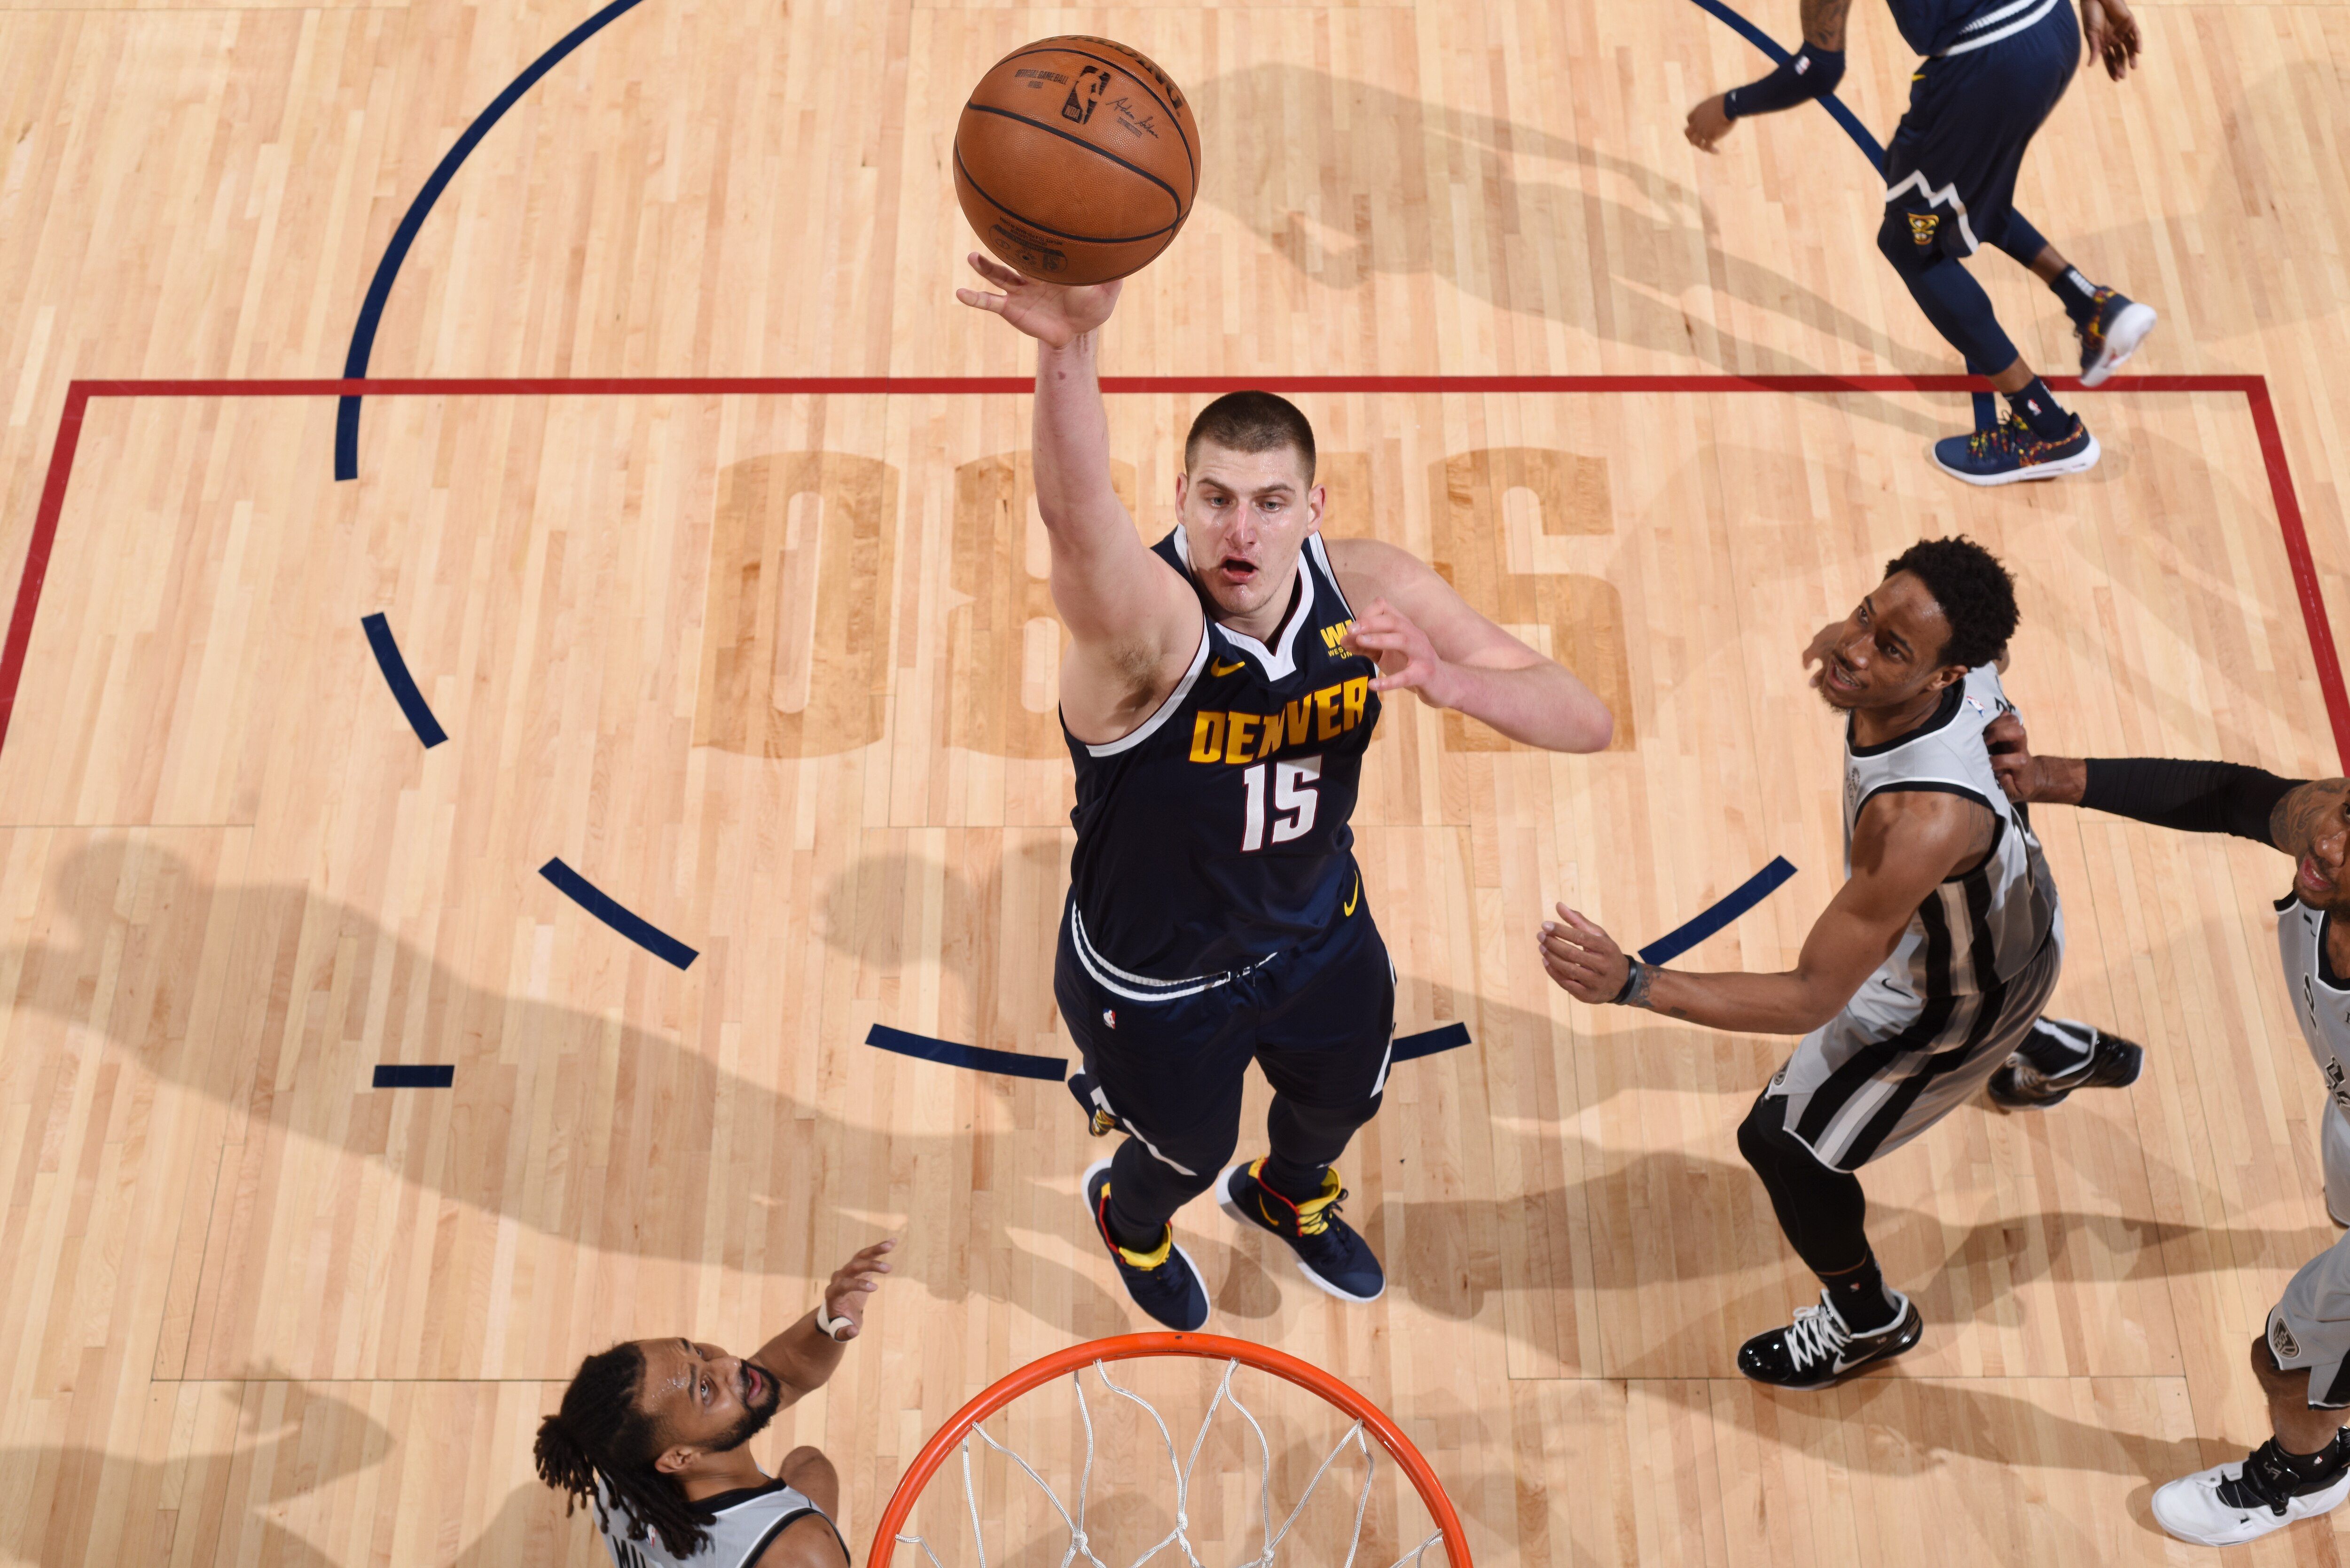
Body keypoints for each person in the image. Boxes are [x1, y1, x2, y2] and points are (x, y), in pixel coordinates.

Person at [954, 252, 1616, 1330]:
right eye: (1214, 500)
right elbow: (1077, 526)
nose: (1240, 532)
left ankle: (1289, 1195)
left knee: (1342, 1099)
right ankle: (1130, 1215)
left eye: (1269, 503)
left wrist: (1447, 681)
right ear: (1178, 498)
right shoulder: (1147, 631)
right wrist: (1068, 344)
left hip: (1317, 935)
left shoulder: (1372, 589)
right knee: (1182, 1151)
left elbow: (1581, 717)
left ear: (1313, 506)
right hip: (1162, 980)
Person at [1536, 537, 2139, 1387]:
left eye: (1892, 647)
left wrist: (1637, 981)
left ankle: (1868, 1320)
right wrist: (1866, 641)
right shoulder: (1973, 667)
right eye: (1867, 612)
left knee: (1783, 1145)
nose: (1856, 646)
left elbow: (1812, 994)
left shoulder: (1918, 819)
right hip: (2021, 924)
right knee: (1967, 987)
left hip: (1956, 1000)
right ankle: (2044, 1052)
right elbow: (1978, 643)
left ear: (1942, 674)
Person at [1989, 735, 2350, 1545]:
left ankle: (2309, 1474)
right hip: (2348, 1114)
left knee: (2288, 1357)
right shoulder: (2331, 841)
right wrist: (2046, 776)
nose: (2327, 841)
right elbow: (2232, 794)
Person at [1684, 0, 2158, 485]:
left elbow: (1818, 69)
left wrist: (1729, 106)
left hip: (1987, 65)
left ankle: (2045, 428)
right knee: (1943, 189)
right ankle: (2091, 305)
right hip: (2052, 28)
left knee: (1912, 247)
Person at [532, 1239, 895, 1567]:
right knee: (813, 1473)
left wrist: (830, 1321)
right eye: (704, 1388)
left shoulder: (623, 1465)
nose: (730, 1364)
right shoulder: (799, 1549)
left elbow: (780, 1375)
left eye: (699, 1351)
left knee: (809, 1463)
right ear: (679, 1457)